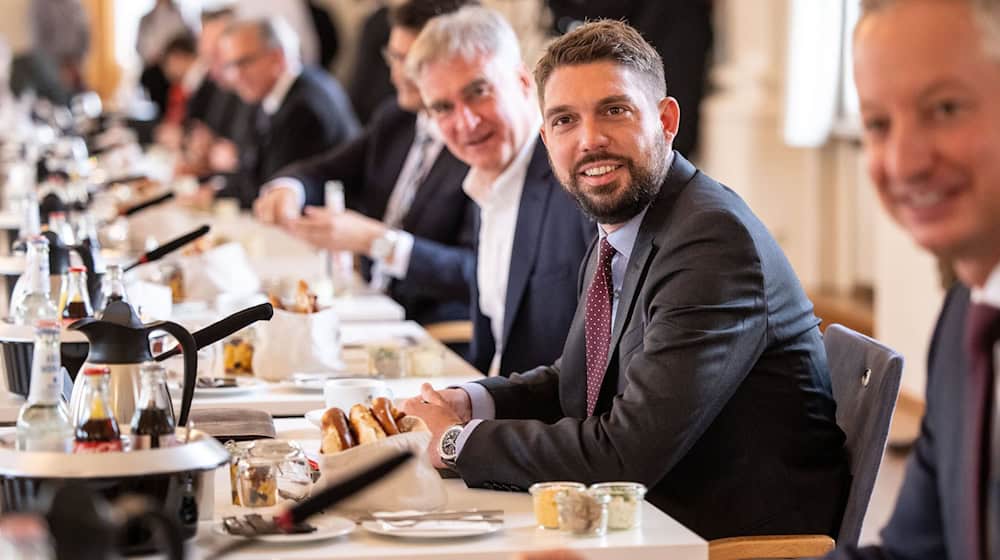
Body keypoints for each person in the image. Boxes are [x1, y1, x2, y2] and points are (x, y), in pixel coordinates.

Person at [401, 16, 849, 540]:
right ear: (546, 138)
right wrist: (473, 401)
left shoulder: (711, 241)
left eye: (614, 110)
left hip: (724, 537)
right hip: (655, 516)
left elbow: (625, 455)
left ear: (665, 119)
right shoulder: (620, 229)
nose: (590, 140)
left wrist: (459, 442)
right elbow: (576, 383)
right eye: (565, 121)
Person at [825, 0, 1000, 558]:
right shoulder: (964, 320)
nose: (904, 162)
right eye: (879, 123)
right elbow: (914, 550)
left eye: (945, 108)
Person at [254, 0, 476, 328]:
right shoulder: (397, 118)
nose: (396, 73)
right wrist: (291, 188)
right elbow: (324, 170)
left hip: (428, 328)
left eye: (410, 61)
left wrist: (376, 241)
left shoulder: (475, 141)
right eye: (394, 57)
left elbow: (473, 272)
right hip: (366, 304)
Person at [404, 6, 594, 376]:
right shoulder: (484, 184)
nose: (466, 122)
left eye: (478, 92)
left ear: (524, 82)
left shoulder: (576, 182)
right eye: (443, 108)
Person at [212, 17, 360, 208]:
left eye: (244, 63)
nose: (235, 76)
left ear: (277, 57)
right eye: (230, 66)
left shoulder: (305, 105)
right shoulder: (268, 93)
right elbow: (248, 164)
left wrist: (220, 191)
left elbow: (270, 183)